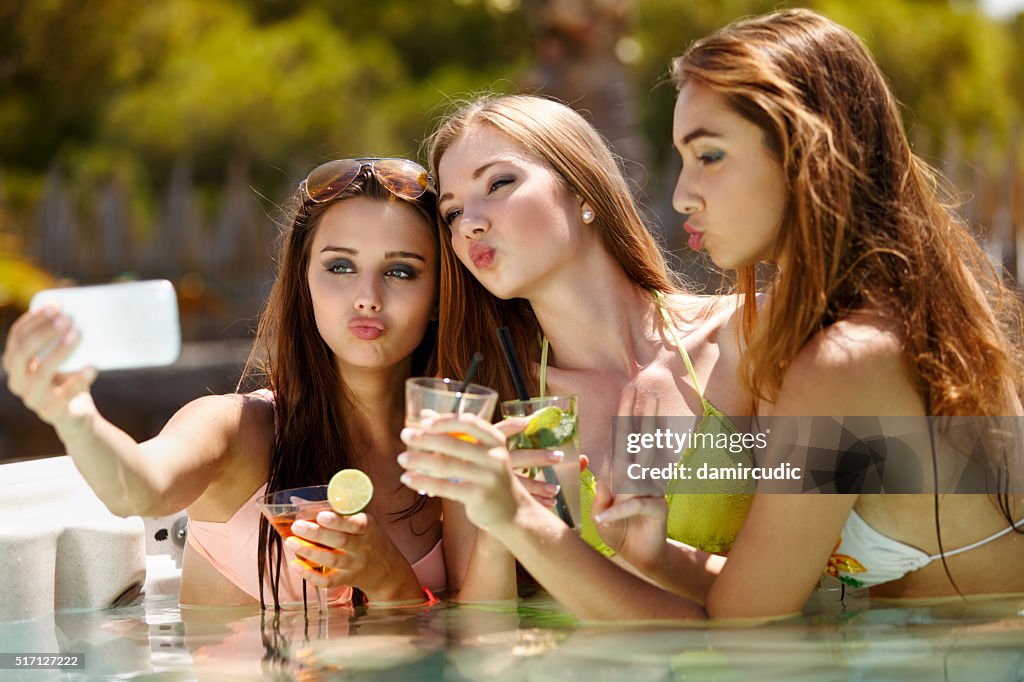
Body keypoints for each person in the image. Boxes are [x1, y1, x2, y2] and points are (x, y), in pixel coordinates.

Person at [400, 9, 1024, 620]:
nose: (681, 194)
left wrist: (521, 520)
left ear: (803, 150)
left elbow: (743, 624)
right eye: (452, 212)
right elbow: (768, 593)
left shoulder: (833, 356)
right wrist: (649, 552)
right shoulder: (883, 321)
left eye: (710, 156)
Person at [3, 157, 448, 609]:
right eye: (339, 267)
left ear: (439, 295)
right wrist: (72, 414)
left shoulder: (454, 455)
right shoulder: (238, 432)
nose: (367, 298)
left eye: (400, 271)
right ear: (304, 282)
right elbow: (138, 490)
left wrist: (393, 583)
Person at [401, 93, 756, 600]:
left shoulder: (747, 332)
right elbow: (480, 634)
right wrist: (505, 523)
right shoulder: (490, 408)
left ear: (584, 193)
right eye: (452, 212)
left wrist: (658, 558)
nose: (469, 223)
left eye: (498, 184)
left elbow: (843, 572)